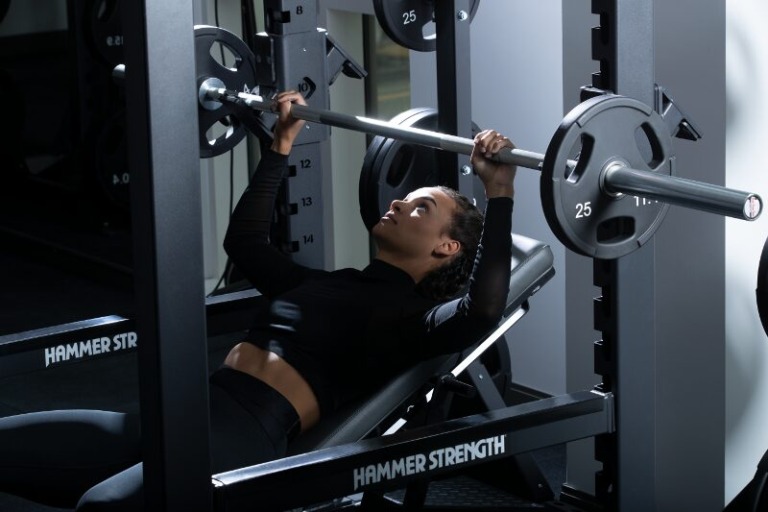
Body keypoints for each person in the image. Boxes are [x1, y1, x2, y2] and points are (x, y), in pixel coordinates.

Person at [0, 91, 517, 511]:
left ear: (447, 247)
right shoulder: (326, 282)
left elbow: (482, 311)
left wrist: (499, 193)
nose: (399, 201)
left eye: (421, 207)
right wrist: (280, 144)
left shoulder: (414, 319)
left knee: (104, 506)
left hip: (243, 433)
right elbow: (245, 243)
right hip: (187, 410)